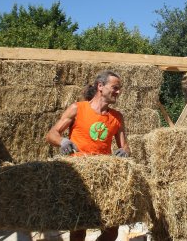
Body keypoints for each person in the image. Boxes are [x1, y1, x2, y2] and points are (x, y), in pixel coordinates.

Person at [46, 70, 130, 241]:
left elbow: (125, 146)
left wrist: (125, 152)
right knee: (79, 228)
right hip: (79, 176)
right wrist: (62, 142)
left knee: (112, 228)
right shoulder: (78, 108)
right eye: (115, 88)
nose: (118, 92)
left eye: (119, 89)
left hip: (104, 176)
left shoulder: (117, 117)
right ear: (100, 86)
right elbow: (52, 134)